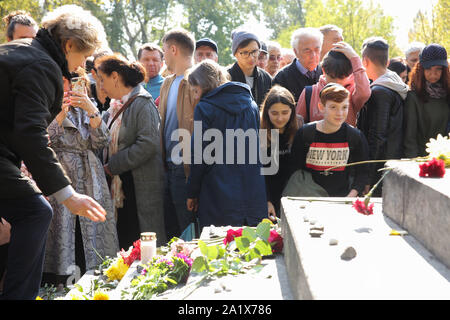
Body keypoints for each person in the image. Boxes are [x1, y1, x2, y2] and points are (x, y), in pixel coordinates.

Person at [0, 4, 107, 300]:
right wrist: (67, 194)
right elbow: (30, 133)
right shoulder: (42, 65)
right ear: (69, 44)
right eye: (82, 57)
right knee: (34, 211)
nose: (80, 67)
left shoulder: (22, 50)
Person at [43, 73, 119, 284]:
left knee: (91, 226)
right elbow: (42, 139)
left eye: (76, 81)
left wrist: (91, 110)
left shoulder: (90, 105)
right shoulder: (45, 104)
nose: (70, 86)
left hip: (89, 173)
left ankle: (96, 277)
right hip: (60, 171)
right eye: (66, 80)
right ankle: (61, 280)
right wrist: (59, 115)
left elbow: (102, 141)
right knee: (63, 228)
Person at [186, 60, 267, 229]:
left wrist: (192, 193)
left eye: (195, 90)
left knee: (218, 250)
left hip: (217, 193)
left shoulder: (204, 108)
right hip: (252, 191)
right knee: (252, 249)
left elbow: (198, 156)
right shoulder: (251, 105)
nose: (194, 96)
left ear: (203, 85)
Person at [98, 54, 167, 249]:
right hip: (122, 192)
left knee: (143, 250)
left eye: (102, 80)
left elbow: (148, 144)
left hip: (139, 192)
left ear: (115, 77)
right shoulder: (113, 108)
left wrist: (113, 165)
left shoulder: (142, 103)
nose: (101, 86)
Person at [290, 83, 369, 197]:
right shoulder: (305, 133)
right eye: (333, 107)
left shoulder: (355, 136)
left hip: (342, 198)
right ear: (321, 107)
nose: (340, 113)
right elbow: (295, 169)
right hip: (308, 197)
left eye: (344, 107)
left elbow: (362, 172)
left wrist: (350, 196)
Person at [159, 28, 200, 241]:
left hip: (187, 169)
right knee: (172, 232)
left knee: (189, 232)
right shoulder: (167, 82)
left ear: (173, 49)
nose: (162, 55)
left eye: (164, 50)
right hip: (166, 167)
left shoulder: (197, 81)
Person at [357, 37, 408, 196]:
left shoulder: (380, 92)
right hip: (394, 163)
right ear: (387, 62)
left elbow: (378, 136)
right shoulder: (395, 83)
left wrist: (369, 179)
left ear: (364, 61)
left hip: (380, 170)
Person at [296, 41, 370, 126]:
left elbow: (364, 93)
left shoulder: (353, 92)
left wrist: (355, 58)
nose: (337, 83)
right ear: (323, 70)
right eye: (332, 77)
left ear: (351, 74)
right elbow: (298, 125)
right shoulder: (309, 92)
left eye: (341, 78)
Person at [260, 85, 299, 220]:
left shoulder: (300, 131)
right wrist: (267, 200)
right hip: (270, 197)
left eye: (285, 112)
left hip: (293, 195)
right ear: (266, 112)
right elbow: (260, 173)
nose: (280, 118)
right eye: (274, 113)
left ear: (292, 111)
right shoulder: (260, 134)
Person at [404, 44, 449, 158]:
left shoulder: (447, 94)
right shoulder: (413, 96)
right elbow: (410, 137)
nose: (433, 74)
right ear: (421, 69)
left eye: (438, 69)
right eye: (428, 69)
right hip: (422, 161)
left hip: (446, 159)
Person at [273, 27, 323, 103]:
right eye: (307, 51)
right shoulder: (282, 78)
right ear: (296, 52)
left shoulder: (327, 73)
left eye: (317, 50)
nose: (313, 55)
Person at [228, 29, 272, 108]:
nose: (251, 57)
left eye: (254, 51)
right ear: (235, 54)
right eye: (245, 53)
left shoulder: (266, 78)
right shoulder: (226, 78)